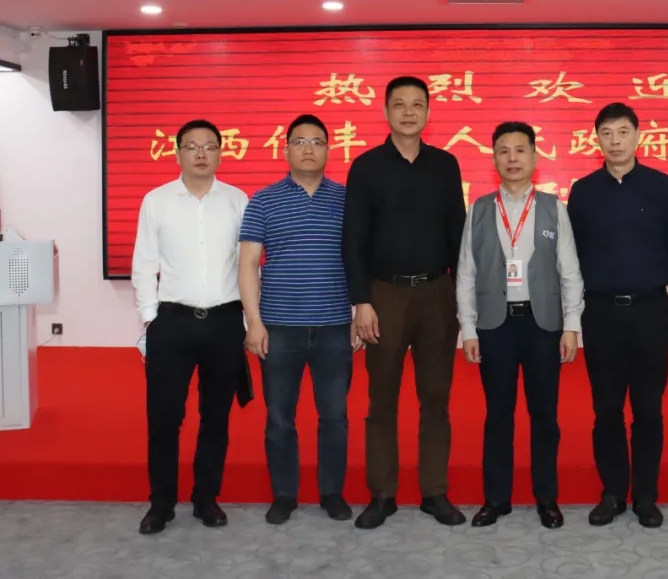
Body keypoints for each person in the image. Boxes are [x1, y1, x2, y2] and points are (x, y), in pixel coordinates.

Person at [343, 76, 468, 528]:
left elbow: (459, 236)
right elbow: (352, 240)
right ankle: (382, 494)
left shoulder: (445, 165)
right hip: (384, 296)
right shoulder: (366, 167)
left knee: (436, 397)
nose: (409, 112)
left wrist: (462, 299)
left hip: (437, 294)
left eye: (417, 104)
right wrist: (361, 301)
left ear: (429, 112)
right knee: (382, 400)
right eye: (400, 104)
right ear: (385, 112)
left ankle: (435, 492)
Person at [456, 121, 585, 529]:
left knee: (544, 415)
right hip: (495, 325)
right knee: (498, 415)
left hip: (542, 324)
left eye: (519, 150)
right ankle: (496, 499)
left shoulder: (553, 208)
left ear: (534, 156)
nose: (512, 158)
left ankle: (547, 498)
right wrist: (469, 329)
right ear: (494, 158)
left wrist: (571, 325)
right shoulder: (479, 209)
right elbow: (466, 273)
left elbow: (570, 271)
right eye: (503, 151)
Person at [566, 102, 668, 529]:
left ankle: (646, 496)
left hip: (650, 310)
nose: (615, 141)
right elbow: (571, 259)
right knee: (607, 409)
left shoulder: (663, 187)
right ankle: (613, 493)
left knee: (649, 409)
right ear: (596, 138)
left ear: (638, 136)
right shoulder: (583, 191)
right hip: (600, 313)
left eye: (622, 132)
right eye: (606, 133)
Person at [238, 113, 358, 525]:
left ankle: (332, 492)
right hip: (279, 328)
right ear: (286, 149)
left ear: (329, 150)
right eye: (300, 142)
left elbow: (361, 262)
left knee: (335, 416)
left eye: (317, 142)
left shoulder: (347, 200)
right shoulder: (263, 200)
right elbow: (248, 264)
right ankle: (284, 494)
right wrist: (254, 322)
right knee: (279, 417)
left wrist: (359, 313)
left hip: (334, 327)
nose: (308, 149)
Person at [131, 118, 250, 535]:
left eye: (209, 146)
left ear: (221, 153)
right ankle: (161, 503)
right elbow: (144, 263)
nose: (201, 154)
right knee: (164, 418)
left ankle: (206, 498)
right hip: (172, 323)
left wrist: (248, 320)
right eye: (192, 146)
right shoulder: (157, 201)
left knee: (215, 417)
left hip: (224, 322)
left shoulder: (238, 201)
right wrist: (150, 318)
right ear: (178, 152)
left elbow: (249, 265)